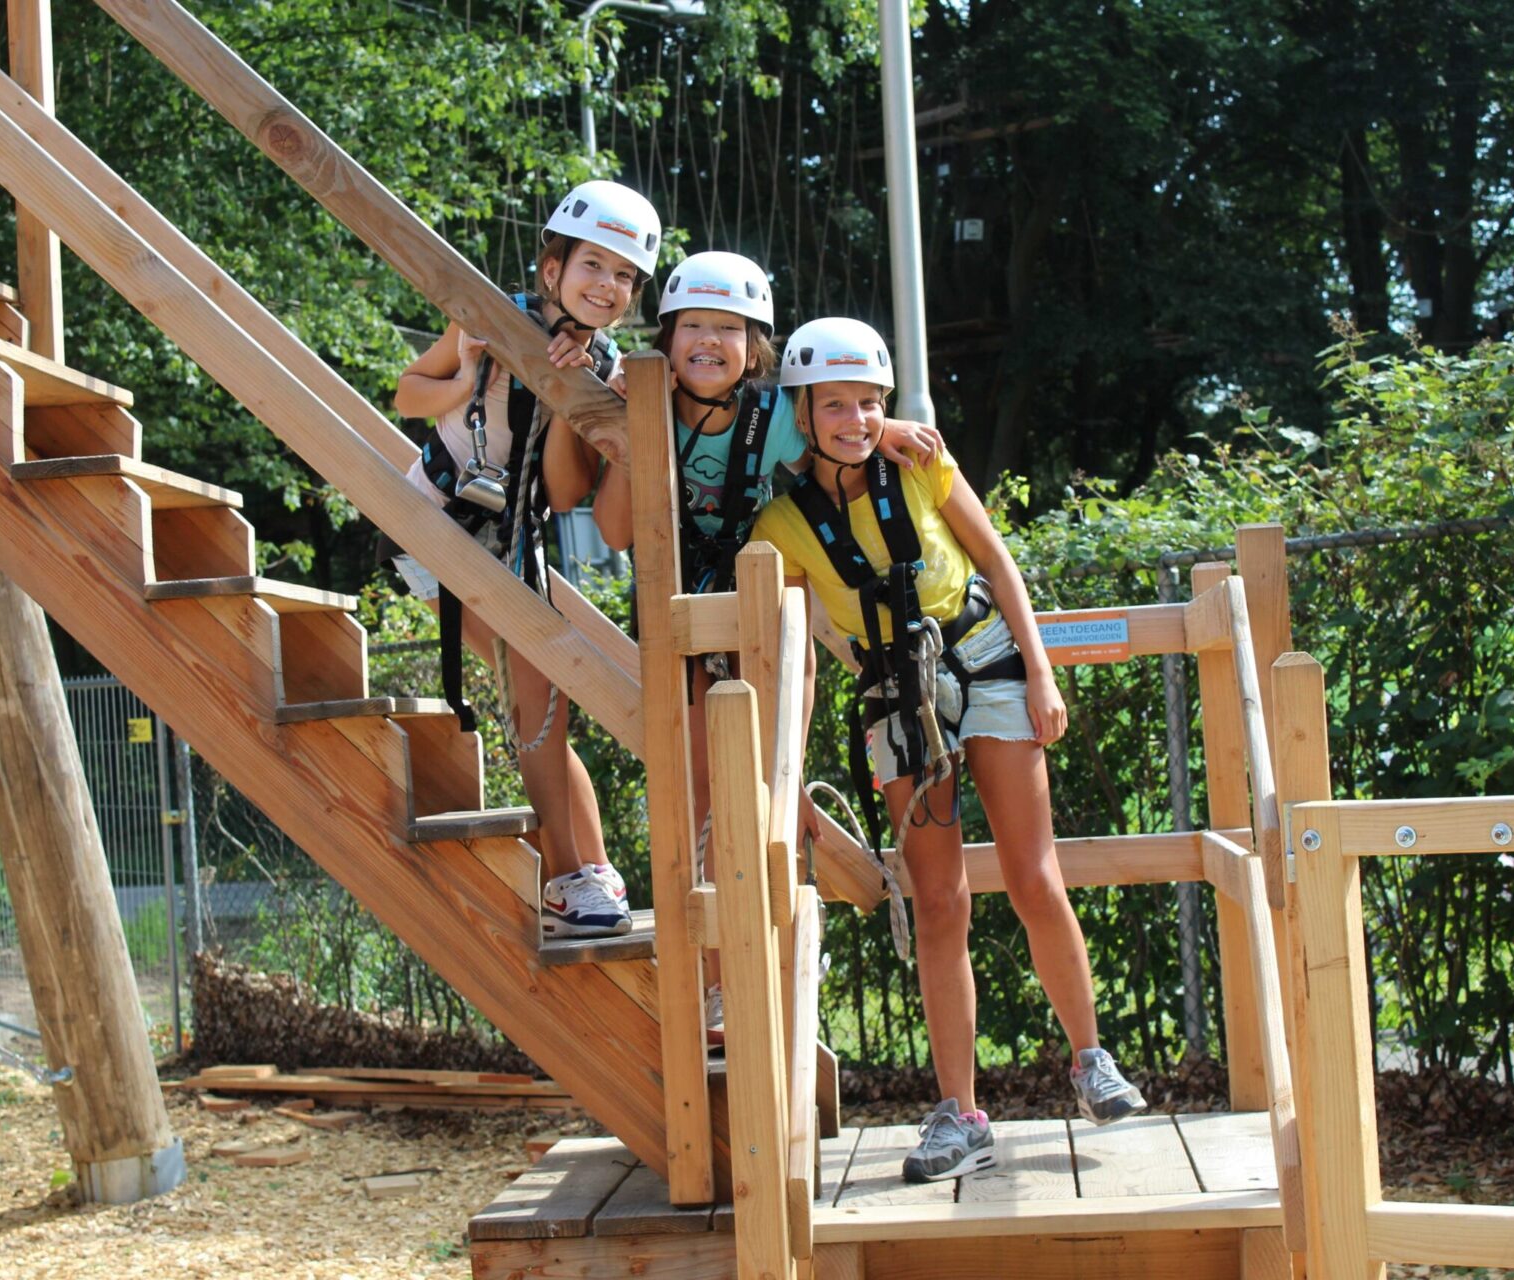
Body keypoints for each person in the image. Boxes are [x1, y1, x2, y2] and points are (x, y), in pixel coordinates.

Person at [749, 316, 1147, 1182]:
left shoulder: (920, 461)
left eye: (869, 403)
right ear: (802, 410)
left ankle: (1090, 1059)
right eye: (835, 405)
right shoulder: (780, 523)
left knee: (1033, 871)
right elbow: (798, 628)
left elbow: (996, 559)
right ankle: (961, 1112)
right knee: (939, 902)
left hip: (984, 658)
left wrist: (1040, 673)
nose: (856, 419)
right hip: (896, 691)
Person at [574, 253, 941, 1040]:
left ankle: (784, 947)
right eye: (695, 326)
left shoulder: (779, 413)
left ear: (756, 344)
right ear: (666, 335)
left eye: (731, 329)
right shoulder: (641, 403)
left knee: (774, 785)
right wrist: (632, 439)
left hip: (766, 619)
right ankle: (716, 986)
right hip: (679, 617)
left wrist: (890, 428)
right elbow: (609, 530)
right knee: (704, 801)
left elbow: (843, 431)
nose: (711, 341)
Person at [389, 180, 661, 941]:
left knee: (551, 699)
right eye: (592, 267)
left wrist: (573, 395)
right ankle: (571, 875)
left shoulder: (602, 369)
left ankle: (587, 869)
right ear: (552, 270)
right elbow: (410, 394)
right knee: (539, 694)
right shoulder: (486, 318)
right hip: (440, 522)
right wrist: (473, 376)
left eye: (623, 277)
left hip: (513, 537)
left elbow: (568, 491)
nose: (606, 286)